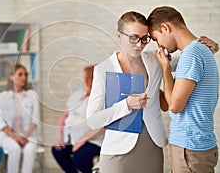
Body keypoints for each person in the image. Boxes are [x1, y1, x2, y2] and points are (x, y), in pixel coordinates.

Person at [86, 11, 218, 173]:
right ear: (119, 35)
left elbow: (189, 60)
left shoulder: (154, 60)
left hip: (152, 143)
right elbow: (93, 120)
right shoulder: (103, 70)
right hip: (117, 149)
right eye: (133, 37)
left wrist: (211, 48)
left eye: (144, 39)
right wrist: (126, 105)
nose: (139, 45)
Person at [148, 6, 219, 173]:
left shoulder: (192, 54)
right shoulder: (199, 50)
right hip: (193, 145)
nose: (159, 45)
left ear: (165, 28)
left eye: (156, 38)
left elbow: (174, 106)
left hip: (190, 148)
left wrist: (165, 69)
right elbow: (166, 103)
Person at [52, 65, 104, 173]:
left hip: (93, 140)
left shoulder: (100, 98)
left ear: (90, 79)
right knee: (58, 150)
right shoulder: (78, 94)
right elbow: (64, 115)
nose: (82, 79)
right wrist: (59, 136)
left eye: (84, 77)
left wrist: (81, 141)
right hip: (72, 136)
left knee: (80, 157)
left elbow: (102, 126)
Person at [0, 63, 40, 173]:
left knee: (30, 150)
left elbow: (35, 120)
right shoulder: (3, 96)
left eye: (25, 75)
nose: (24, 77)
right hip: (8, 136)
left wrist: (24, 137)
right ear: (11, 77)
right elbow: (1, 123)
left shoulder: (32, 95)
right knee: (15, 149)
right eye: (20, 74)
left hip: (28, 135)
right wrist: (15, 137)